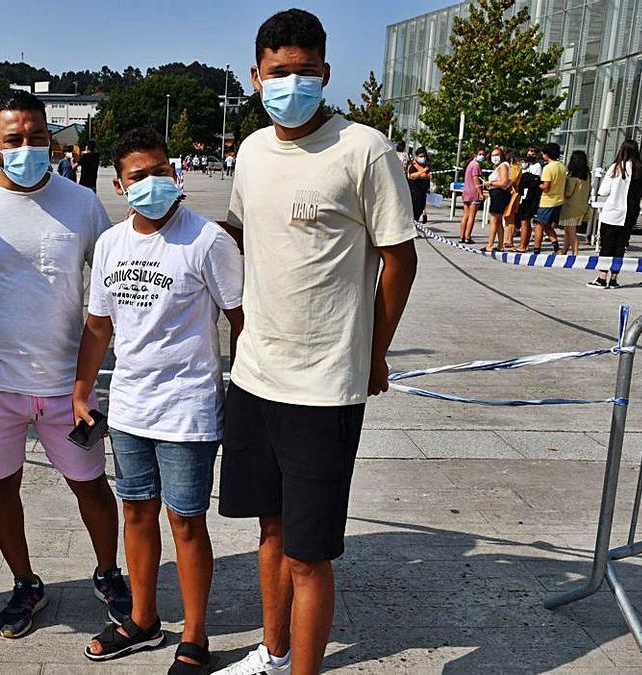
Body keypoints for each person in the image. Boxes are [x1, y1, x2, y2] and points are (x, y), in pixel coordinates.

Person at [215, 10, 418, 675]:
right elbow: (244, 242)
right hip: (254, 376)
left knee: (309, 552)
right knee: (269, 531)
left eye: (304, 72)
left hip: (323, 384)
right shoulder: (249, 151)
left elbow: (400, 258)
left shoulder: (364, 149)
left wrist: (375, 349)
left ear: (325, 73)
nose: (291, 83)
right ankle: (272, 655)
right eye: (279, 72)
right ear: (256, 75)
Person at [0, 91, 130, 638]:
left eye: (37, 138)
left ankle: (108, 572)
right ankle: (25, 583)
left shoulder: (81, 204)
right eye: (14, 140)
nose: (28, 148)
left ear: (51, 139)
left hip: (69, 385)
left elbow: (113, 278)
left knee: (91, 485)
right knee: (1, 488)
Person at [75, 128, 244, 673]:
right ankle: (143, 618)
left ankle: (195, 636)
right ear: (120, 186)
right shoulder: (110, 244)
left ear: (176, 174)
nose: (152, 183)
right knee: (136, 513)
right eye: (138, 176)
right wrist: (83, 389)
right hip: (129, 407)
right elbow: (99, 327)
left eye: (160, 171)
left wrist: (248, 394)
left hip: (188, 407)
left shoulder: (207, 241)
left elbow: (241, 323)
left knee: (187, 521)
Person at [591, 139, 642, 288]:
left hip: (612, 212)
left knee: (607, 246)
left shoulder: (616, 167)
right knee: (620, 247)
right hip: (630, 213)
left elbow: (603, 191)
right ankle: (614, 279)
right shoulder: (641, 170)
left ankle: (602, 278)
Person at [530, 143, 566, 254]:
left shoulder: (548, 168)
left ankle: (536, 249)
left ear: (547, 154)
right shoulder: (562, 166)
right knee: (547, 225)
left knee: (539, 225)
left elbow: (546, 187)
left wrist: (536, 183)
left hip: (547, 201)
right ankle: (556, 247)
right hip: (558, 200)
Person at [560, 150, 591, 257]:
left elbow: (568, 193)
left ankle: (575, 252)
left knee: (570, 232)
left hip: (571, 208)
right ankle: (564, 250)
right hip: (582, 206)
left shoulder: (572, 177)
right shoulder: (587, 176)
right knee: (568, 231)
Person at [513, 147, 543, 251]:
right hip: (524, 195)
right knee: (524, 220)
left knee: (525, 221)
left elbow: (534, 181)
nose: (530, 154)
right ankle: (523, 244)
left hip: (531, 196)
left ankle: (523, 245)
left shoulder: (537, 166)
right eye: (529, 152)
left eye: (533, 152)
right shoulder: (527, 166)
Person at [481, 147, 511, 252]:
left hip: (499, 195)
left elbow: (504, 183)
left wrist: (490, 183)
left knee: (494, 220)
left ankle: (490, 244)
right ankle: (500, 245)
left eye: (497, 155)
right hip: (497, 194)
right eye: (493, 155)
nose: (495, 157)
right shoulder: (499, 166)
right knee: (498, 221)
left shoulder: (503, 166)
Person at [459, 147, 484, 243]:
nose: (482, 156)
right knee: (471, 216)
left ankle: (462, 236)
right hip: (474, 192)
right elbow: (476, 179)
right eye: (480, 154)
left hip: (466, 192)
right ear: (475, 155)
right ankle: (468, 236)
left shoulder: (469, 164)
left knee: (465, 215)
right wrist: (480, 193)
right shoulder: (476, 165)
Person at [501, 155, 523, 249]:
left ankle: (509, 240)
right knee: (508, 218)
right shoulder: (516, 167)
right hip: (513, 194)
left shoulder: (514, 168)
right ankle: (506, 239)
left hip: (513, 194)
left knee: (509, 217)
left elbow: (512, 180)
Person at [406, 147, 432, 224]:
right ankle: (412, 226)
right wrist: (422, 172)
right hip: (414, 191)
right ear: (416, 156)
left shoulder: (426, 165)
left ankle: (415, 224)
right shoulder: (413, 166)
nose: (422, 158)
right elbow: (412, 176)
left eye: (423, 156)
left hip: (423, 191)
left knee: (420, 208)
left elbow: (428, 176)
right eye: (420, 156)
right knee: (415, 209)